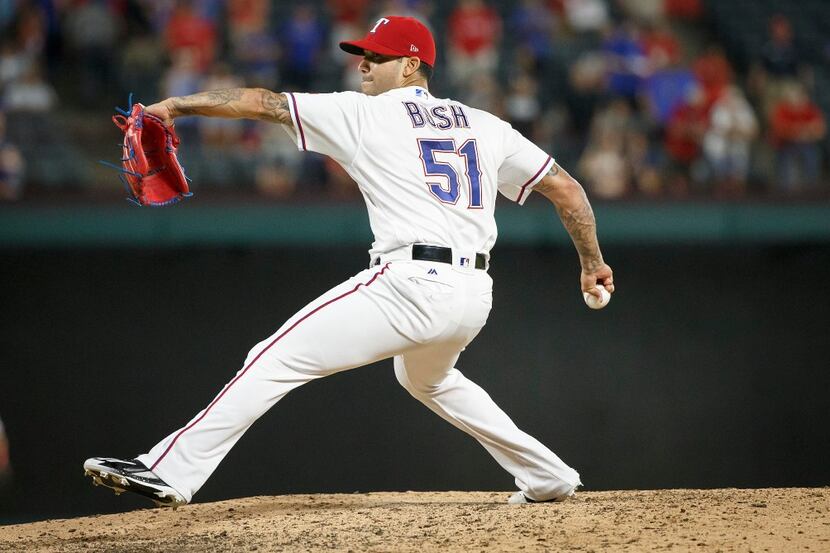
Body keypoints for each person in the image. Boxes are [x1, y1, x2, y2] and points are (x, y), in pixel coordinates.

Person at [83, 15, 614, 508]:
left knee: (273, 356)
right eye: (362, 54)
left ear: (411, 66)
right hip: (473, 295)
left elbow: (264, 103)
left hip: (410, 284)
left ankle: (169, 470)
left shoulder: (361, 112)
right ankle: (548, 476)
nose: (363, 63)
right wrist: (590, 262)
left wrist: (176, 106)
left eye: (377, 56)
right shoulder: (484, 124)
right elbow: (566, 189)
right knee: (427, 380)